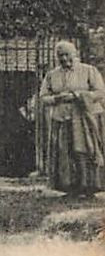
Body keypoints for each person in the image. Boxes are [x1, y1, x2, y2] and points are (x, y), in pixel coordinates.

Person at [38, 41, 105, 198]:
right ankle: (69, 188)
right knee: (64, 153)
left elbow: (100, 92)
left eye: (67, 54)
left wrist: (78, 95)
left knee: (84, 150)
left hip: (84, 118)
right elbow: (43, 97)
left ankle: (89, 187)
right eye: (60, 55)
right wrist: (57, 98)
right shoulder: (52, 75)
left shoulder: (88, 71)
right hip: (61, 118)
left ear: (75, 54)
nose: (64, 58)